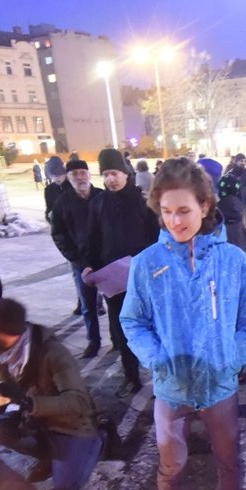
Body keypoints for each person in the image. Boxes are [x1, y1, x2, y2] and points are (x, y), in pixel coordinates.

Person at [120, 158, 246, 490]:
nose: (174, 220)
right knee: (171, 466)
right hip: (171, 389)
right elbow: (133, 320)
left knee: (229, 457)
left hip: (219, 386)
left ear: (205, 205)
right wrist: (156, 359)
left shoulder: (233, 261)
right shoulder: (148, 264)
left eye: (183, 210)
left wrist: (231, 358)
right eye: (166, 212)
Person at [0, 299, 102, 490]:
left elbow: (78, 402)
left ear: (6, 332)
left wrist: (27, 402)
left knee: (66, 486)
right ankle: (48, 454)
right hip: (36, 421)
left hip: (72, 426)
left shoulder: (52, 353)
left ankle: (98, 440)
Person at [85, 148, 160, 398]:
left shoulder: (143, 202)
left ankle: (161, 371)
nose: (110, 179)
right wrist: (89, 266)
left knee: (151, 326)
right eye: (105, 175)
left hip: (142, 277)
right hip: (113, 282)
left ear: (126, 173)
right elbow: (92, 239)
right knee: (122, 328)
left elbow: (155, 238)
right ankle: (131, 376)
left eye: (114, 173)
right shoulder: (97, 204)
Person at [50, 158, 104, 358]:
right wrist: (78, 260)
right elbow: (59, 235)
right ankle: (94, 341)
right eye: (75, 175)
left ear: (89, 175)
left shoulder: (102, 197)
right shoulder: (62, 203)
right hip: (81, 263)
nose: (80, 178)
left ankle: (119, 340)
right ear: (69, 178)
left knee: (115, 303)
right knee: (88, 305)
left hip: (107, 260)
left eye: (83, 173)